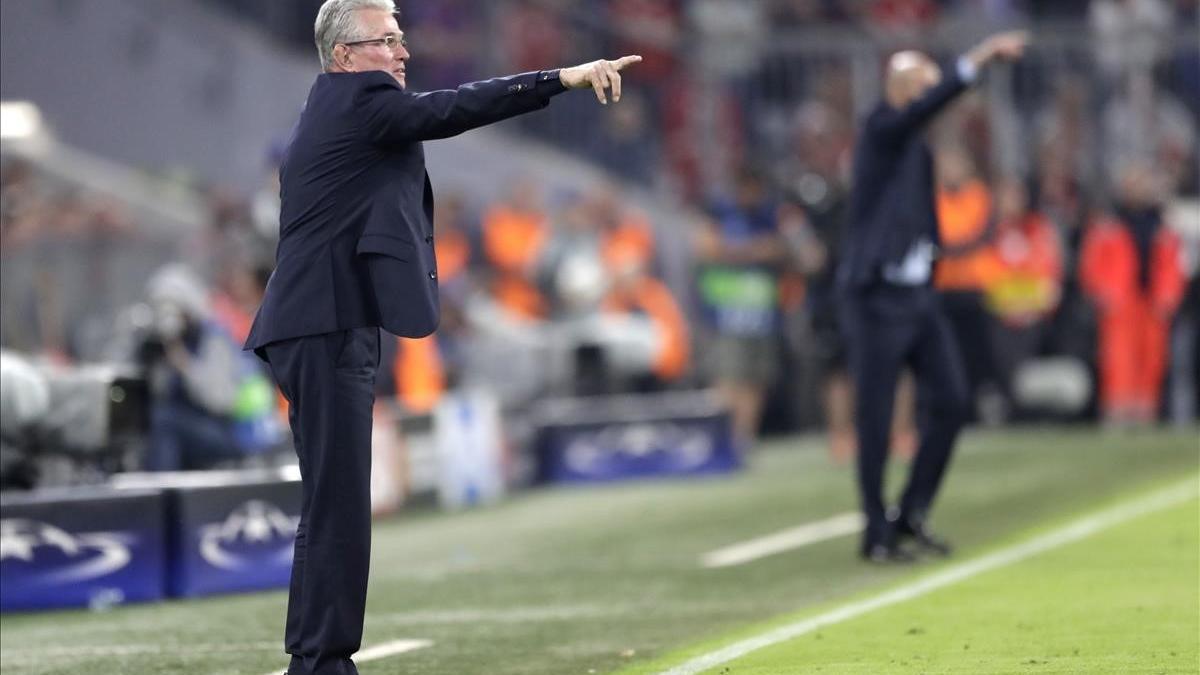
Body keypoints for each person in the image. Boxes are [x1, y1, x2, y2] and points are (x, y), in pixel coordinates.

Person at [241, 2, 642, 673]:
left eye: (402, 37)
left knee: (330, 500)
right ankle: (323, 661)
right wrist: (563, 78)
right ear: (345, 54)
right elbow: (454, 108)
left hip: (319, 320)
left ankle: (313, 656)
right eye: (386, 40)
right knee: (339, 504)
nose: (402, 52)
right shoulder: (360, 100)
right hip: (325, 321)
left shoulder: (334, 102)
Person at [836, 31, 1028, 563]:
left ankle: (912, 511)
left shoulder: (916, 149)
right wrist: (975, 62)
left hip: (918, 295)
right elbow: (928, 107)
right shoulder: (880, 128)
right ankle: (875, 533)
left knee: (950, 402)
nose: (931, 95)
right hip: (876, 298)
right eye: (923, 85)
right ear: (901, 87)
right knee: (875, 417)